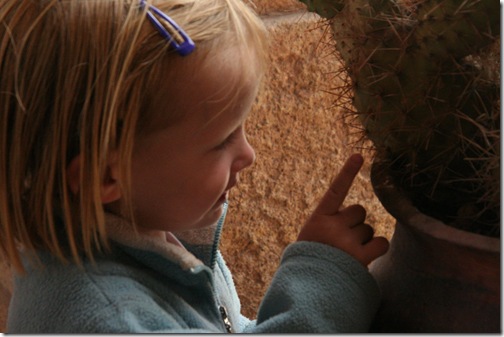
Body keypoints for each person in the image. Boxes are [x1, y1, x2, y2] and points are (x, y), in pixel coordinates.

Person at [0, 0, 389, 333]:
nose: (249, 154)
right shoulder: (112, 320)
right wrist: (321, 279)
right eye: (222, 140)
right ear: (104, 177)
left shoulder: (146, 229)